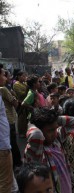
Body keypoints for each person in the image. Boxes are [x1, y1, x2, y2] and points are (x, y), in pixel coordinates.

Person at [24, 108, 74, 193]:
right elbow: (36, 135)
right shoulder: (36, 150)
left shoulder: (57, 139)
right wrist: (31, 123)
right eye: (50, 130)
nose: (54, 133)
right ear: (39, 129)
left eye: (56, 128)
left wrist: (55, 119)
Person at [0, 70, 22, 168]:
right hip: (9, 120)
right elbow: (15, 103)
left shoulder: (7, 88)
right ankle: (17, 164)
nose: (7, 78)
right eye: (5, 76)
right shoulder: (3, 89)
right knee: (12, 143)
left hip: (8, 120)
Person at [0, 64, 13, 193]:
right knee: (5, 183)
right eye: (3, 74)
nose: (5, 78)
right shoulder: (3, 90)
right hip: (2, 147)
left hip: (3, 144)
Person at [13, 71, 28, 138]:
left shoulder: (24, 83)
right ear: (19, 76)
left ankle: (25, 131)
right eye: (23, 76)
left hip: (26, 102)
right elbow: (20, 94)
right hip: (20, 103)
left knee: (25, 119)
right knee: (21, 118)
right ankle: (21, 132)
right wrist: (27, 91)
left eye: (25, 76)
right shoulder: (16, 84)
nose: (25, 77)